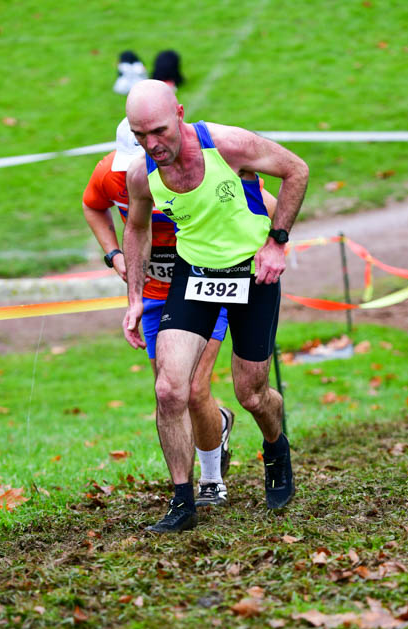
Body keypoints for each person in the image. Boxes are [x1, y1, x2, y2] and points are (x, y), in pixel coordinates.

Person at [122, 80, 308, 534]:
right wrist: (134, 297)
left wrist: (276, 243)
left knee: (251, 394)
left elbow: (296, 171)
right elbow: (136, 228)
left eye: (159, 131)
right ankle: (182, 501)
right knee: (170, 390)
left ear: (180, 113)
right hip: (194, 277)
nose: (152, 144)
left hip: (252, 275)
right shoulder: (141, 174)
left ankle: (275, 447)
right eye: (140, 135)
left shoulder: (227, 145)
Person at [83, 119, 252, 506]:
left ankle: (211, 480)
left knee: (194, 389)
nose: (138, 171)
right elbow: (92, 206)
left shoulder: (202, 168)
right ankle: (217, 424)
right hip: (156, 295)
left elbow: (266, 206)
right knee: (170, 392)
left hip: (204, 285)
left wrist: (264, 249)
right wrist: (114, 255)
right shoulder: (112, 174)